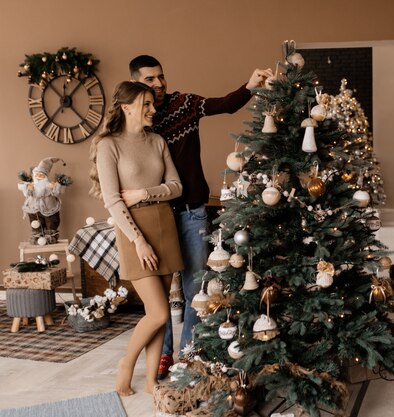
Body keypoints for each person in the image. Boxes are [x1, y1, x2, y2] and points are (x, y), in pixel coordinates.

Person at [128, 55, 272, 380]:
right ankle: (162, 356)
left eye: (161, 77)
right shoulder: (138, 124)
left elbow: (225, 104)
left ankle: (189, 354)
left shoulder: (185, 104)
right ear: (137, 83)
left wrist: (250, 86)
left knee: (196, 289)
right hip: (157, 216)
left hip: (192, 211)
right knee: (160, 295)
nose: (159, 84)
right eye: (150, 79)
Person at [88, 81, 184, 396]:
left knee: (160, 314)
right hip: (133, 231)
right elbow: (113, 201)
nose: (152, 110)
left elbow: (176, 186)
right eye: (145, 104)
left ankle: (151, 380)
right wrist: (138, 241)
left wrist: (145, 192)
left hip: (164, 225)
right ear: (127, 107)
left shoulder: (157, 141)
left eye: (152, 104)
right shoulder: (108, 145)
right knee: (157, 311)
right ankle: (125, 365)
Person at [17, 157, 71, 244]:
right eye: (37, 175)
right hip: (33, 209)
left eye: (42, 175)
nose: (39, 177)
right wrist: (28, 188)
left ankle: (51, 236)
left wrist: (55, 187)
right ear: (34, 176)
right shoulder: (32, 185)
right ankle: (37, 236)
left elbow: (59, 191)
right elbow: (22, 187)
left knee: (51, 221)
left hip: (49, 208)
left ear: (45, 177)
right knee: (35, 223)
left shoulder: (49, 185)